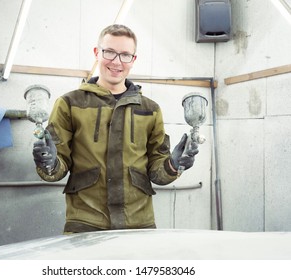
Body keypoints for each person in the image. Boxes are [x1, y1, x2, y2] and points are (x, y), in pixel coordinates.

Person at [33, 24, 199, 233]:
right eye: (109, 52)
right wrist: (48, 163)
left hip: (138, 225)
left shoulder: (150, 110)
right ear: (97, 53)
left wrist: (173, 165)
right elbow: (58, 167)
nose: (117, 62)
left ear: (133, 60)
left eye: (125, 55)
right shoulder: (70, 103)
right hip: (86, 224)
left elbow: (157, 173)